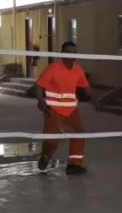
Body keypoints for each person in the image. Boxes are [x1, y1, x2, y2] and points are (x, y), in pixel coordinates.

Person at [35, 41, 97, 175]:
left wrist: (95, 99)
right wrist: (40, 101)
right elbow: (39, 86)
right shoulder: (52, 68)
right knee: (52, 140)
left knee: (79, 135)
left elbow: (86, 88)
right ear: (62, 53)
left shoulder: (78, 70)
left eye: (75, 53)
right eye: (69, 52)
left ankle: (74, 165)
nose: (72, 55)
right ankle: (45, 156)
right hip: (53, 110)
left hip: (71, 111)